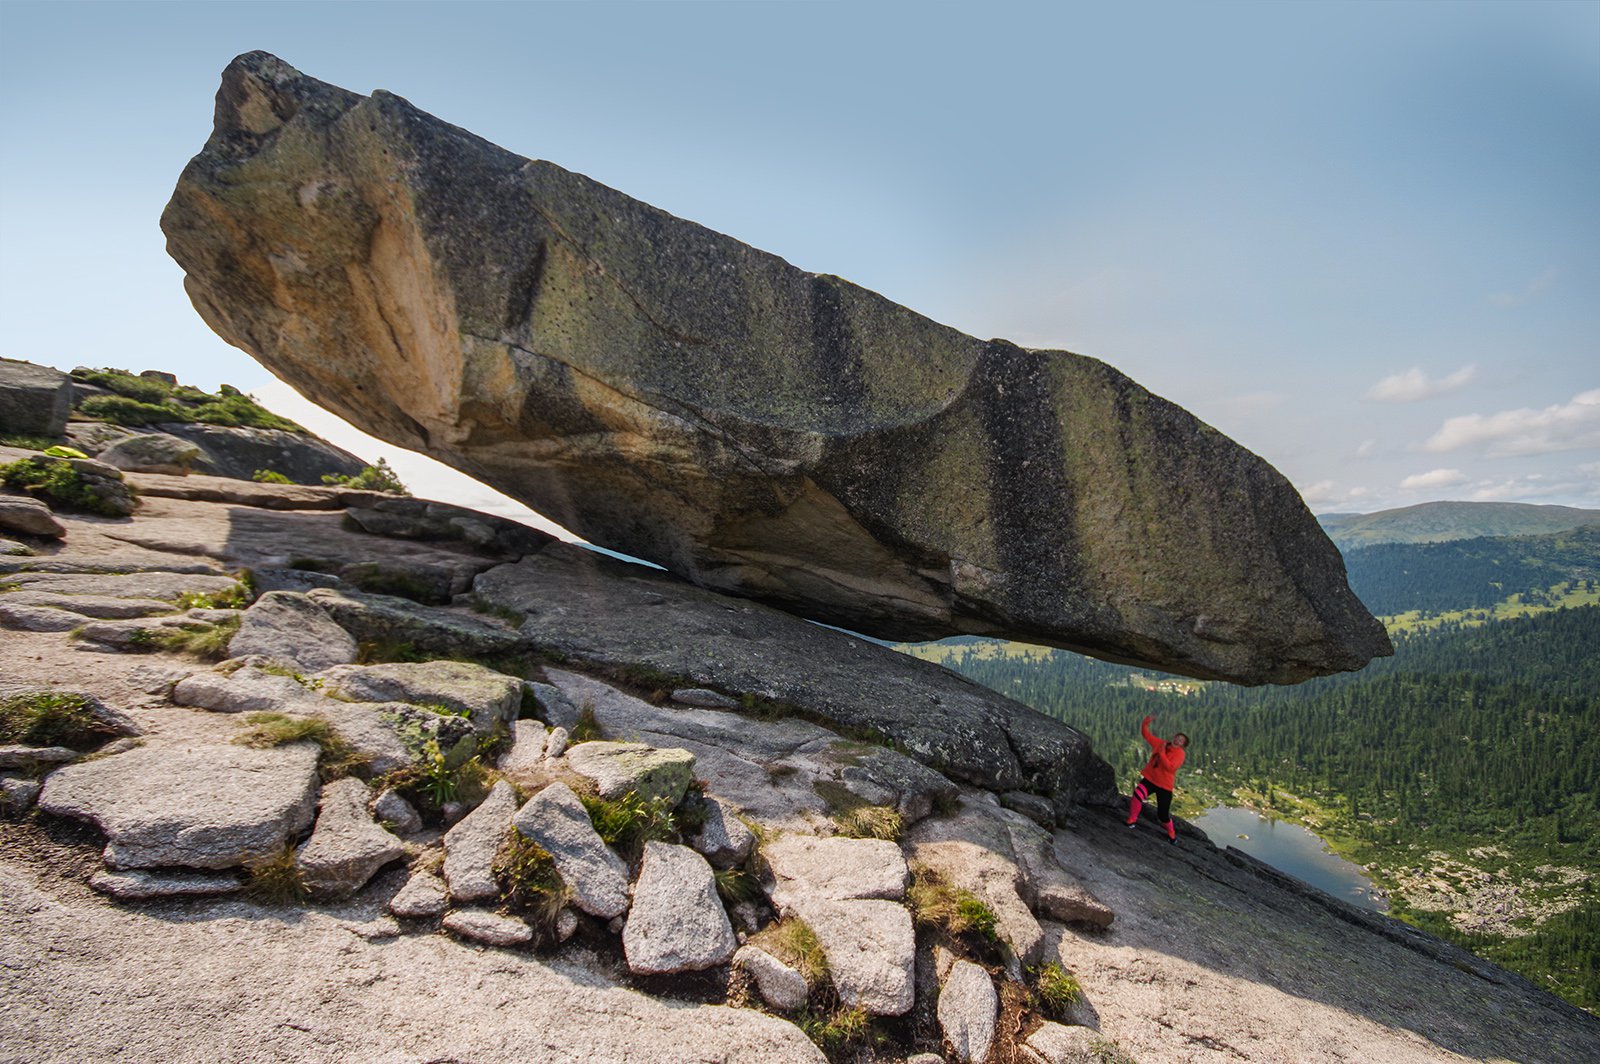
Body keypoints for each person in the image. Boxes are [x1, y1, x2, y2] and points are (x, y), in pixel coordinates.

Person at [1126, 714, 1188, 843]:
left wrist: (1161, 753)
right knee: (1137, 795)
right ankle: (1132, 819)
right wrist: (1145, 724)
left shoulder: (1180, 754)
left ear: (1183, 745)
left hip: (1164, 786)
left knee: (1163, 815)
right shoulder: (1162, 744)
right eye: (1178, 737)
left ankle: (1171, 832)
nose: (1177, 740)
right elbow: (1147, 735)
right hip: (1151, 779)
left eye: (1181, 740)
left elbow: (1170, 768)